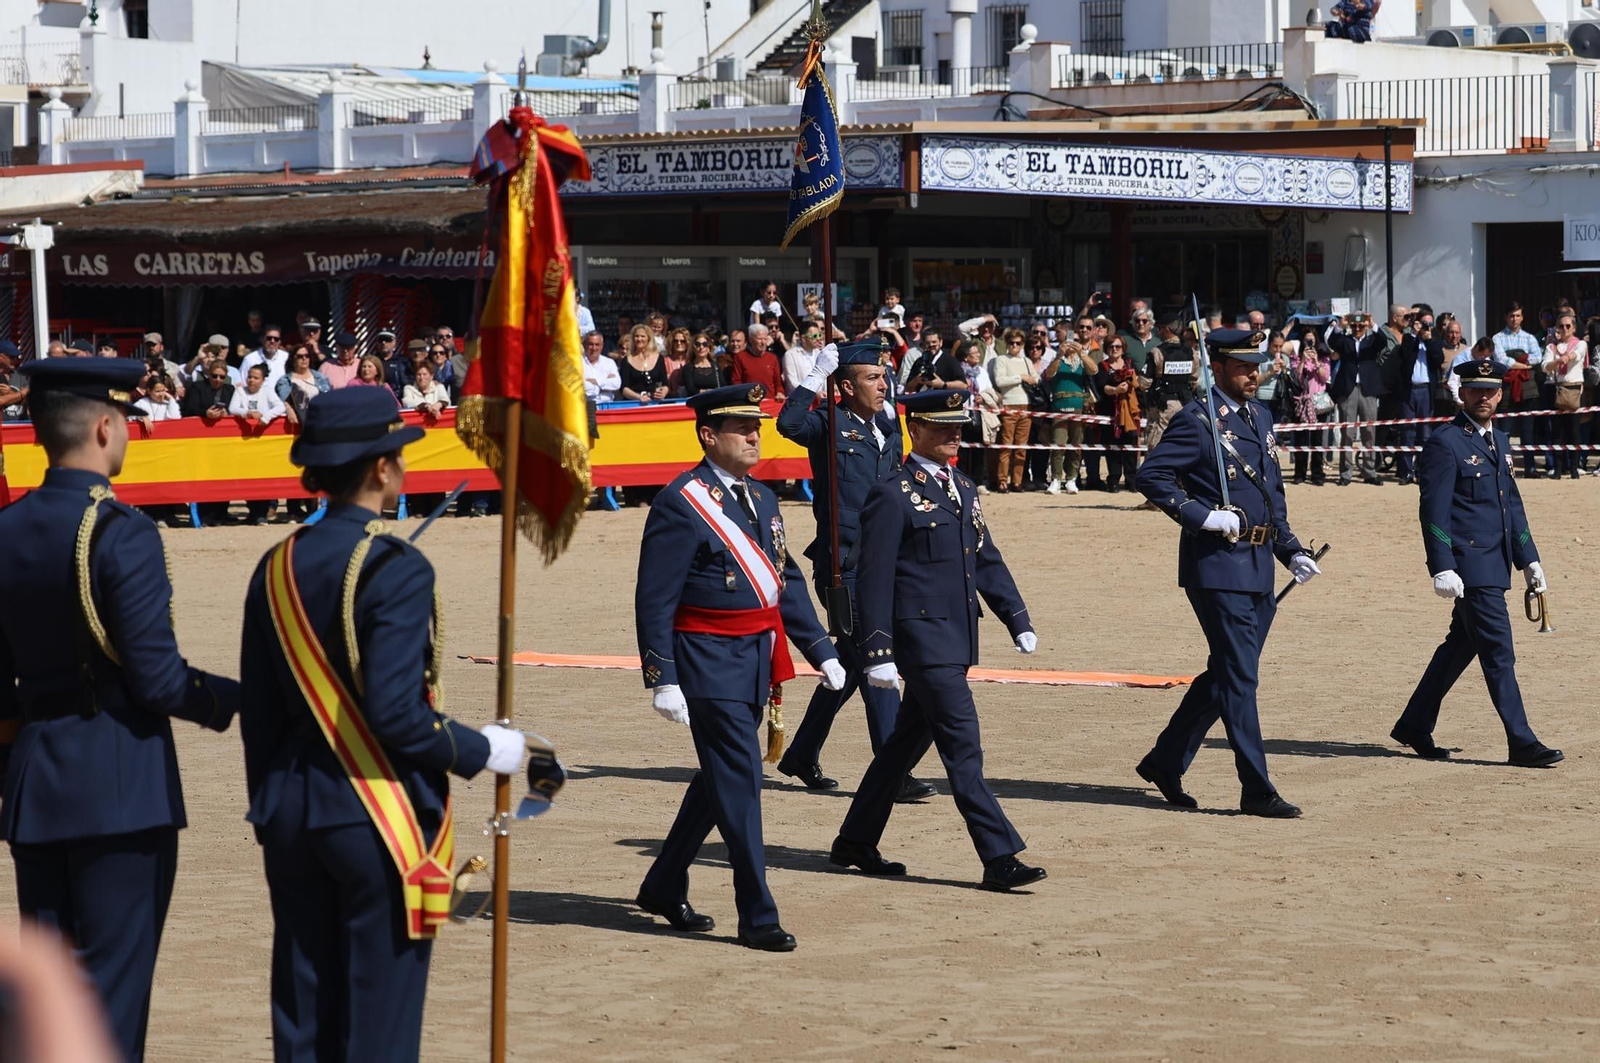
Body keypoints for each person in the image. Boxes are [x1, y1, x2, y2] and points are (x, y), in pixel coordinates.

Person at [238, 387, 527, 1060]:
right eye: (397, 455)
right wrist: (484, 748)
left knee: (305, 1019)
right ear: (378, 469)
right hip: (376, 815)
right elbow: (395, 713)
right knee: (379, 1025)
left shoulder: (275, 563)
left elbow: (261, 713)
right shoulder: (396, 566)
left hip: (289, 811)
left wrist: (273, 802)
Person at [0, 358, 241, 1061]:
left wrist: (11, 765)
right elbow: (159, 680)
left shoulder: (7, 529)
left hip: (34, 784)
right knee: (108, 1002)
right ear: (105, 426)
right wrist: (234, 696)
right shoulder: (121, 531)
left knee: (45, 1008)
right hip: (120, 786)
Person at [634, 384, 843, 951]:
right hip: (705, 661)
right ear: (708, 435)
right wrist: (663, 676)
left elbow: (783, 582)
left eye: (756, 426)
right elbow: (655, 598)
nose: (755, 435)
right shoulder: (682, 502)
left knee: (720, 780)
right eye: (741, 428)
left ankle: (662, 882)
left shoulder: (764, 499)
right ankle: (757, 913)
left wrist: (819, 647)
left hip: (755, 659)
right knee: (743, 780)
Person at [828, 389, 1045, 891]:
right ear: (916, 430)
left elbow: (984, 556)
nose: (954, 435)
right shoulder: (893, 492)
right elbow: (874, 576)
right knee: (962, 746)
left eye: (959, 427)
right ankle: (998, 856)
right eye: (943, 427)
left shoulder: (963, 487)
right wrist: (877, 649)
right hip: (922, 642)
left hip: (956, 637)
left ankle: (855, 840)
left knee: (900, 750)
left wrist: (1016, 616)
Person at [1133, 330, 1321, 817]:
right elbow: (1151, 476)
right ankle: (1256, 789)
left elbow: (1270, 494)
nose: (1252, 374)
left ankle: (1165, 761)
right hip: (1216, 564)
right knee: (1241, 677)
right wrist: (1201, 515)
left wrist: (1291, 550)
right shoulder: (1197, 421)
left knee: (1227, 673)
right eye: (1241, 366)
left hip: (1259, 565)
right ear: (1216, 367)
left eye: (1255, 365)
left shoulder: (1259, 417)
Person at [774, 342, 935, 803]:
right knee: (877, 658)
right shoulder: (828, 424)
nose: (883, 384)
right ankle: (892, 768)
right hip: (845, 565)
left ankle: (802, 753)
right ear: (845, 386)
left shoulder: (887, 426)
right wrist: (812, 377)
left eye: (884, 376)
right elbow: (788, 424)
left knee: (849, 660)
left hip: (888, 562)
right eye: (872, 377)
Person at [1389, 359, 1562, 768]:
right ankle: (1521, 741)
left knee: (1460, 646)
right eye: (1475, 390)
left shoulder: (1500, 440)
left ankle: (1414, 723)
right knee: (1499, 652)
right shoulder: (1445, 442)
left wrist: (1529, 558)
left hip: (1496, 561)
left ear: (1501, 394)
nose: (1484, 396)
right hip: (1470, 565)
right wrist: (1441, 565)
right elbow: (1433, 512)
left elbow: (1511, 507)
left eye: (1491, 390)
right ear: (1461, 393)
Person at [1326, 313, 1386, 485]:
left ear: (1365, 327)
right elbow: (1331, 341)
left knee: (1369, 432)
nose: (1357, 329)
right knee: (1347, 433)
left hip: (1368, 388)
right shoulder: (1345, 340)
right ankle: (1345, 473)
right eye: (1355, 326)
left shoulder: (1371, 342)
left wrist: (1373, 324)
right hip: (1348, 388)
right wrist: (1341, 326)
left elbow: (1382, 341)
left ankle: (1369, 471)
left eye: (1360, 326)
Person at [1043, 339, 1097, 494]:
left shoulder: (1081, 360)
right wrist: (1059, 355)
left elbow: (1093, 370)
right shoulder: (1058, 360)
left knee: (1076, 444)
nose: (1070, 345)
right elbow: (1049, 374)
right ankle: (1056, 479)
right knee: (1058, 444)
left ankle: (1072, 478)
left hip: (1078, 406)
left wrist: (1081, 352)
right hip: (1059, 407)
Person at [988, 328, 1036, 493]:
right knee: (1006, 445)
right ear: (1007, 343)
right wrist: (1020, 378)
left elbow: (1036, 378)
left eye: (1018, 343)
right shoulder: (1001, 359)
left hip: (1026, 406)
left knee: (1021, 447)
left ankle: (1017, 481)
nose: (1015, 346)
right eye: (1012, 342)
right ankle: (1002, 480)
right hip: (1009, 405)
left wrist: (1028, 378)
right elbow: (1000, 381)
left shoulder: (1027, 361)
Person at [1541, 312, 1587, 479]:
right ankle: (1558, 469)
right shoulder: (1551, 347)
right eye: (1561, 326)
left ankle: (1574, 468)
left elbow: (1579, 354)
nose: (1565, 329)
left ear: (1574, 328)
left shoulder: (1580, 343)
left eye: (1568, 326)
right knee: (1557, 432)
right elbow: (1544, 366)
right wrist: (1558, 361)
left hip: (1574, 389)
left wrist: (1567, 356)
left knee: (1574, 431)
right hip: (1557, 389)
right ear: (1557, 328)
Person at [1095, 335, 1141, 492]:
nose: (1114, 349)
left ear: (1123, 349)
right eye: (1111, 347)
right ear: (1107, 349)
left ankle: (1131, 480)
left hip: (1129, 412)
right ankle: (1113, 480)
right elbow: (1103, 387)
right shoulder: (1103, 366)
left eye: (1118, 347)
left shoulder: (1130, 364)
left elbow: (1138, 383)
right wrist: (1116, 390)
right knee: (1113, 447)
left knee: (1130, 446)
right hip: (1111, 412)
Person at [276, 344, 332, 427]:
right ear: (293, 358)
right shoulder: (284, 381)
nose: (304, 358)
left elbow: (327, 401)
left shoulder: (321, 378)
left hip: (319, 421)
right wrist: (288, 409)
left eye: (307, 356)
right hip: (296, 424)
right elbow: (283, 400)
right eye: (300, 356)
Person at [618, 325, 670, 404]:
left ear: (648, 338)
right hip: (633, 404)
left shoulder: (659, 358)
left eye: (642, 336)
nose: (639, 339)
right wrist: (639, 397)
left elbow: (664, 383)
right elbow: (624, 388)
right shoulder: (626, 360)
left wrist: (662, 393)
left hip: (655, 403)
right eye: (636, 336)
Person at [729, 325, 784, 397]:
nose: (763, 342)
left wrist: (780, 392)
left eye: (765, 339)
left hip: (769, 402)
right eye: (760, 339)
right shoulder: (740, 357)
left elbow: (778, 382)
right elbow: (736, 381)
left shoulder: (772, 358)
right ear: (751, 339)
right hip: (749, 402)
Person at [678, 332, 727, 396]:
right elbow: (690, 390)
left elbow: (723, 386)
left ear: (709, 348)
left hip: (716, 401)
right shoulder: (688, 368)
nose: (701, 347)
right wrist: (707, 391)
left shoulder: (716, 366)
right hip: (697, 402)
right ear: (693, 348)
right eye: (697, 344)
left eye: (705, 344)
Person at [581, 330, 622, 404]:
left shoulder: (609, 363)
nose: (594, 348)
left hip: (607, 408)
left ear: (602, 346)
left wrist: (596, 382)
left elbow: (616, 384)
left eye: (597, 345)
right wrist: (603, 386)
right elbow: (579, 386)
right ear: (583, 345)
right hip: (584, 408)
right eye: (590, 344)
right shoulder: (577, 363)